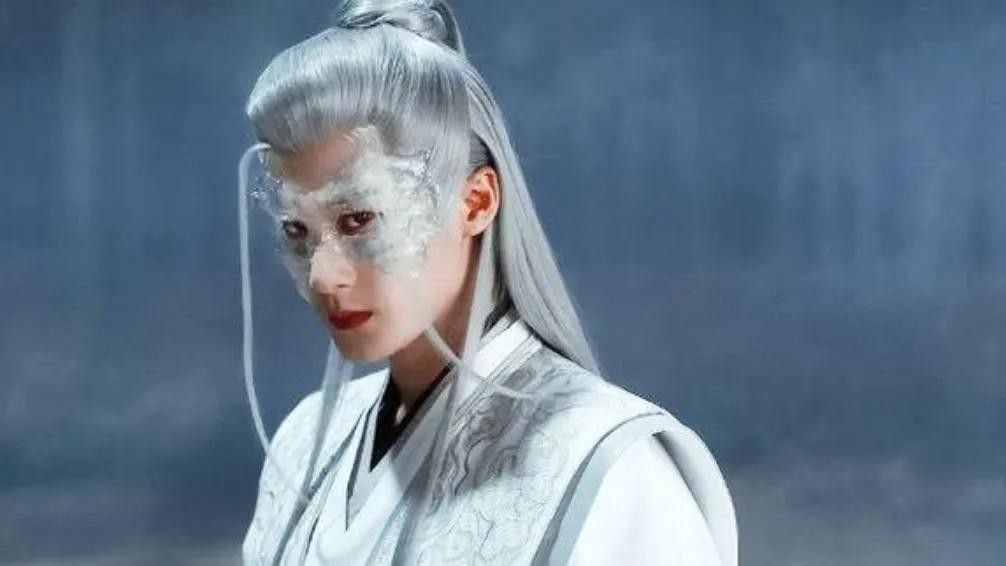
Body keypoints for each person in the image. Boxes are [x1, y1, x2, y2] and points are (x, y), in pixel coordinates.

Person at [237, 1, 737, 564]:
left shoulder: (611, 469)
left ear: (475, 202)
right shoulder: (307, 440)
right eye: (297, 230)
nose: (323, 274)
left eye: (359, 219)